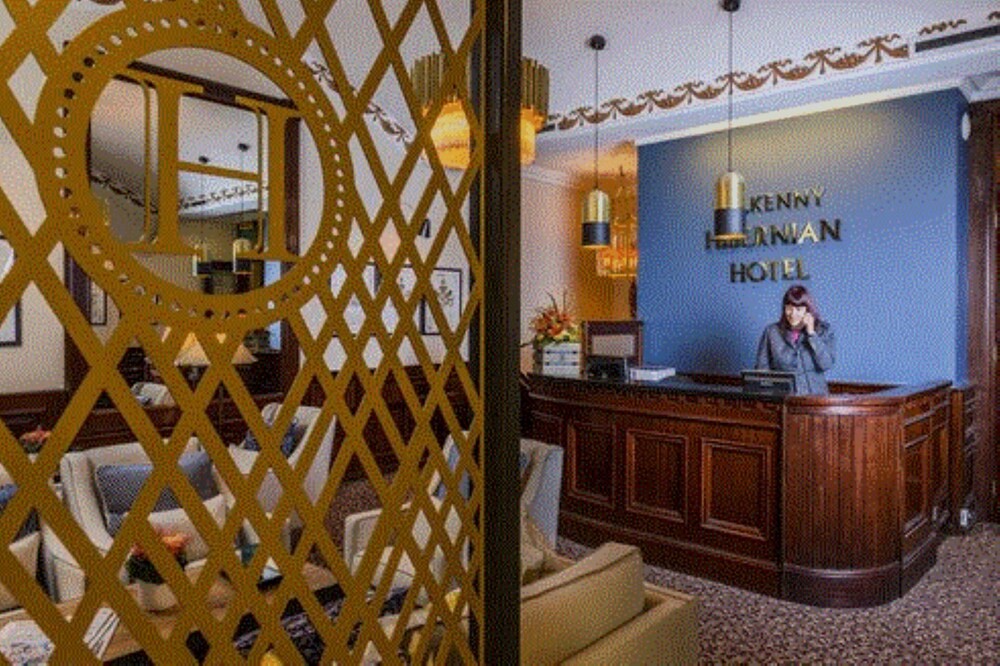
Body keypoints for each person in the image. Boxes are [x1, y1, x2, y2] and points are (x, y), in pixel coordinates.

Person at [755, 284, 835, 395]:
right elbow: (761, 370)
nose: (793, 314)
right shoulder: (772, 332)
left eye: (798, 309)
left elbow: (826, 364)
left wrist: (812, 334)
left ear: (808, 310)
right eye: (789, 308)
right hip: (783, 398)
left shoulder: (823, 330)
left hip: (815, 398)